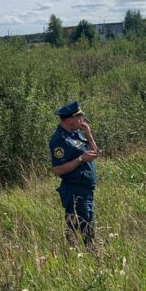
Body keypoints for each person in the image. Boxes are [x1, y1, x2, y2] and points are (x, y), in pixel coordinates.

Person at [49, 101, 99, 247]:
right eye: (79, 117)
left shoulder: (77, 132)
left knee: (78, 225)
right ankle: (91, 255)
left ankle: (72, 252)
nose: (82, 120)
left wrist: (89, 135)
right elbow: (57, 170)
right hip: (75, 190)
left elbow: (95, 153)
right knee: (85, 227)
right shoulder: (59, 140)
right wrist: (80, 159)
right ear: (69, 119)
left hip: (86, 188)